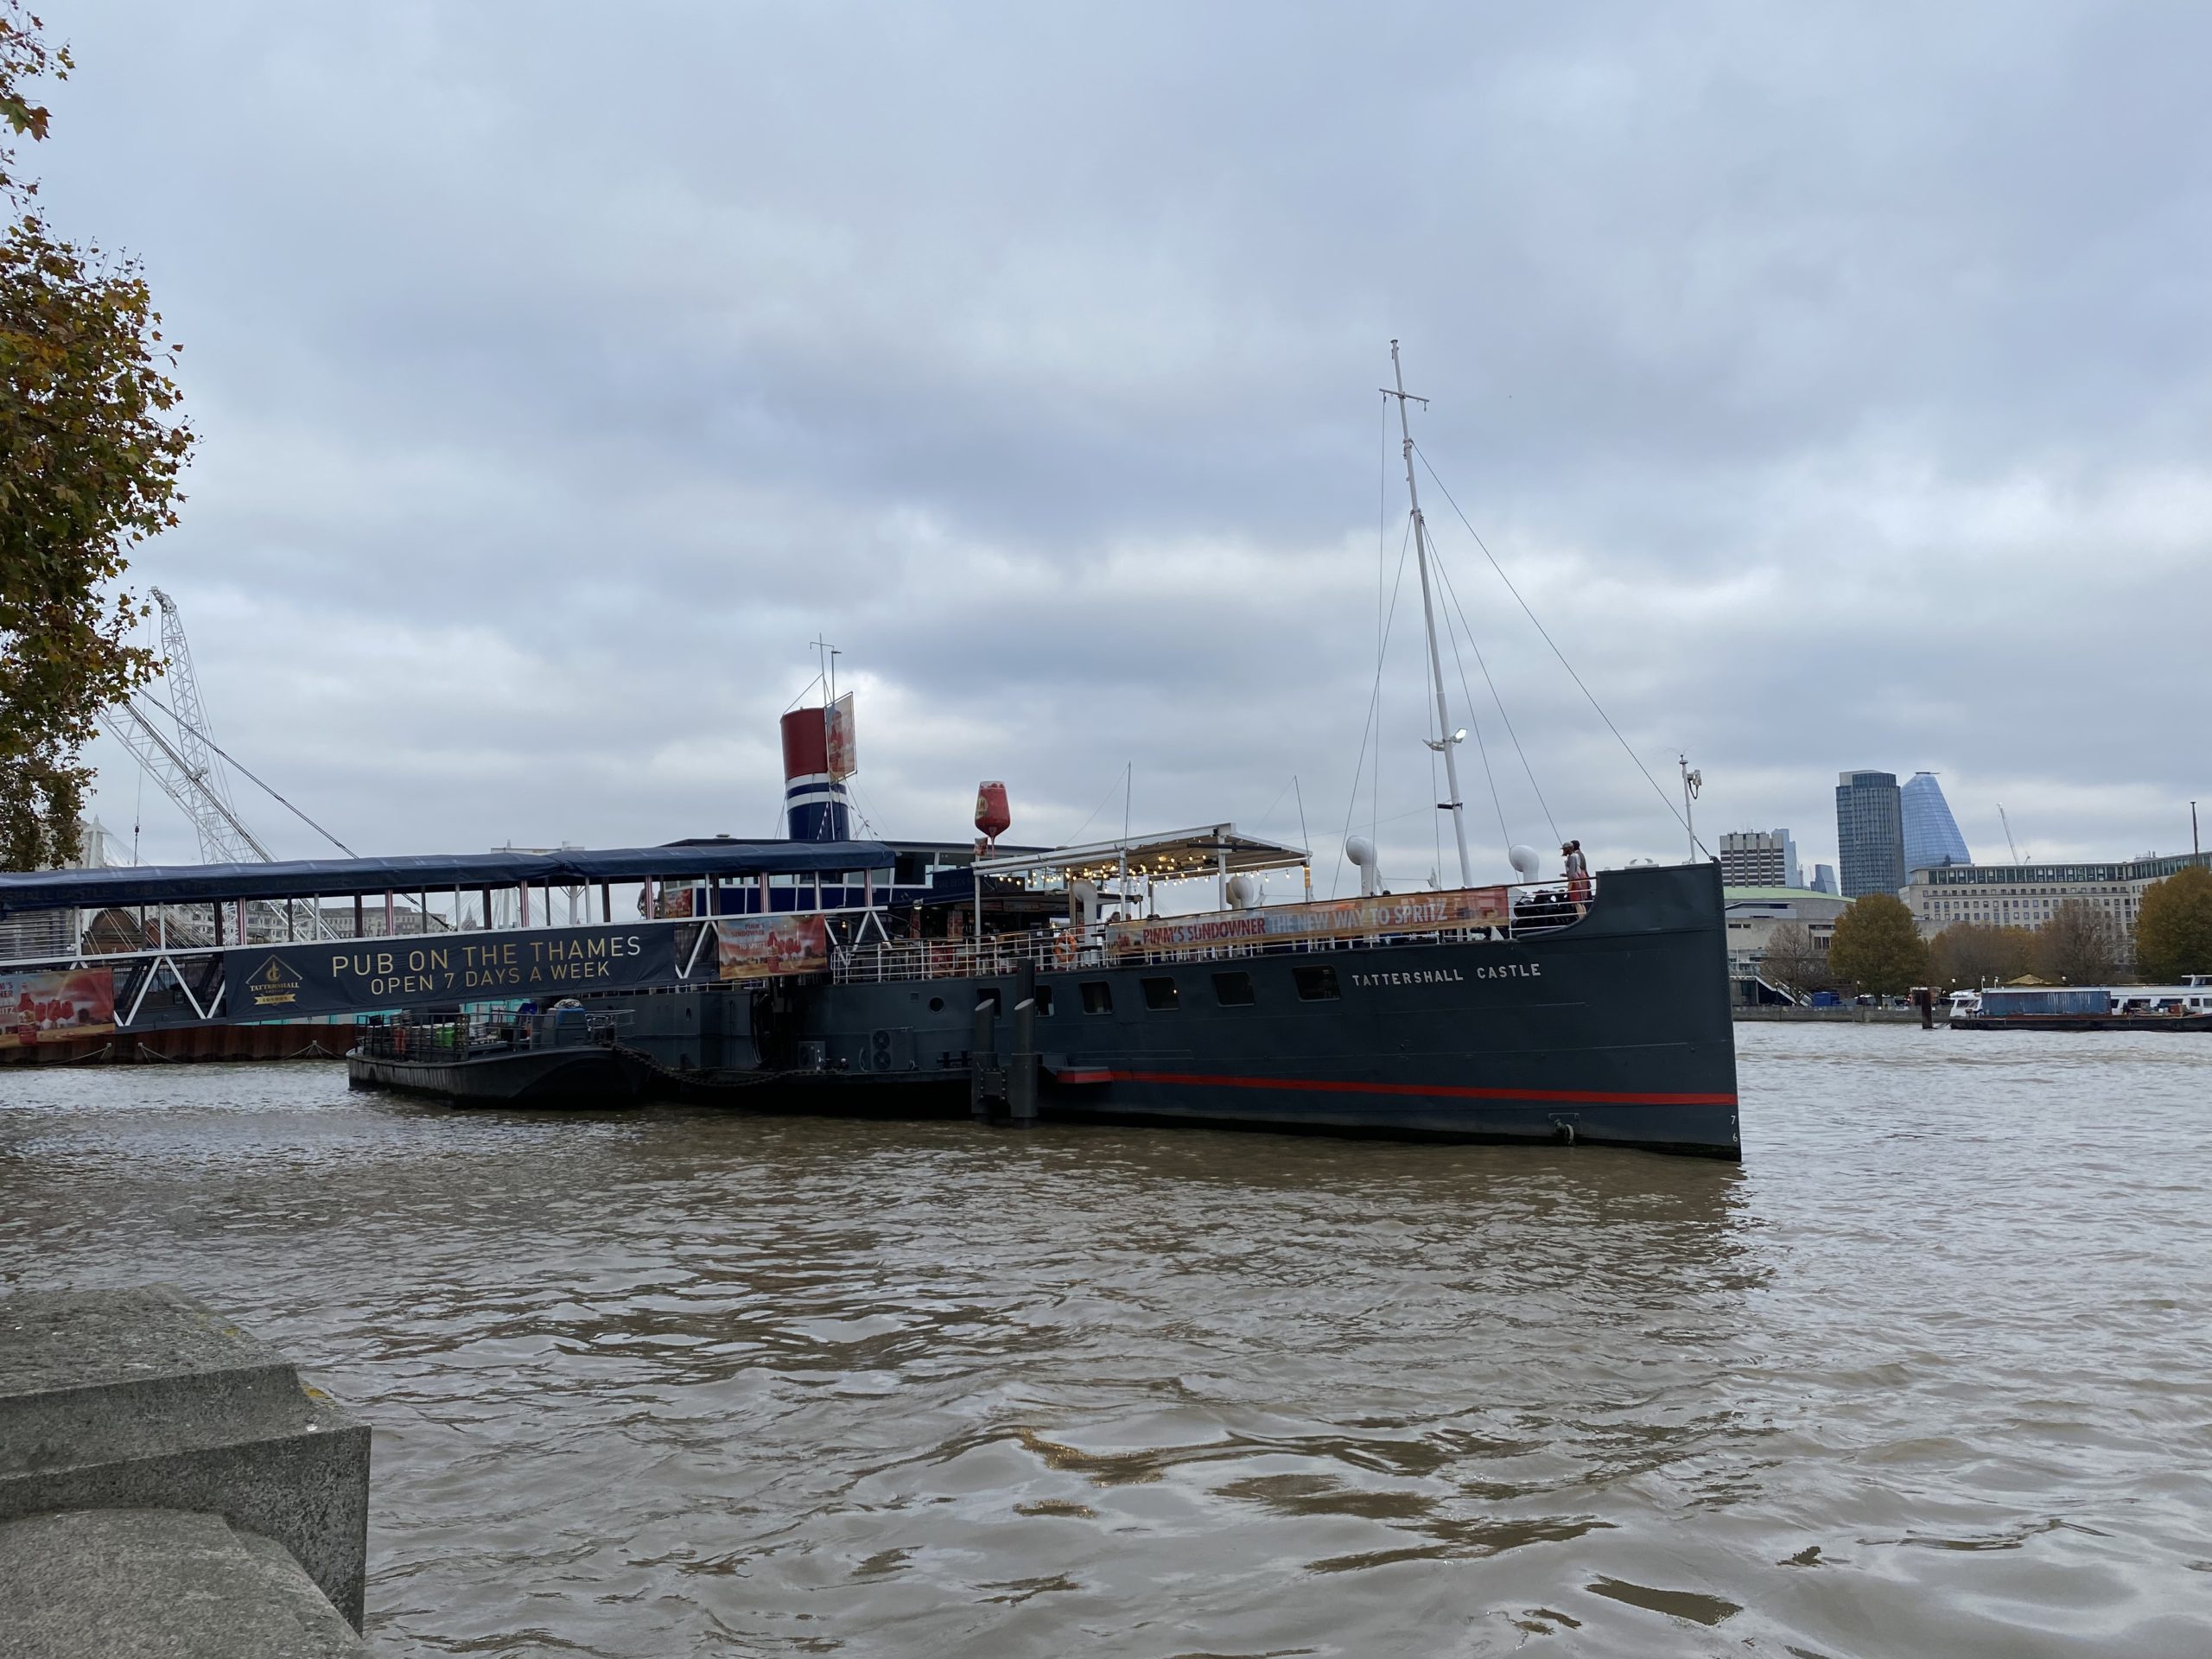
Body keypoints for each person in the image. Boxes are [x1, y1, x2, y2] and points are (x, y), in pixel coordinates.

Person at [1564, 840, 1592, 911]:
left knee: (1577, 901)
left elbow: (1574, 869)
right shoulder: (1580, 854)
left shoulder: (1574, 856)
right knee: (1582, 900)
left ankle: (1581, 917)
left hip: (1578, 876)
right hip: (1582, 875)